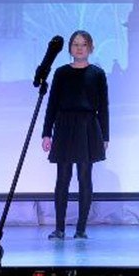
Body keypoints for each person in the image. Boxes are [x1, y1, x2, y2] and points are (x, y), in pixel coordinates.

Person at [42, 30, 109, 240]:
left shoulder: (97, 74)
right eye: (75, 44)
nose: (79, 48)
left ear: (90, 48)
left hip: (88, 127)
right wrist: (46, 133)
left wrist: (105, 136)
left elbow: (103, 107)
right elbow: (52, 104)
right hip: (64, 126)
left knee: (84, 176)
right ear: (70, 48)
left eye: (83, 44)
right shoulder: (61, 73)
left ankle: (81, 229)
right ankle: (59, 228)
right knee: (63, 177)